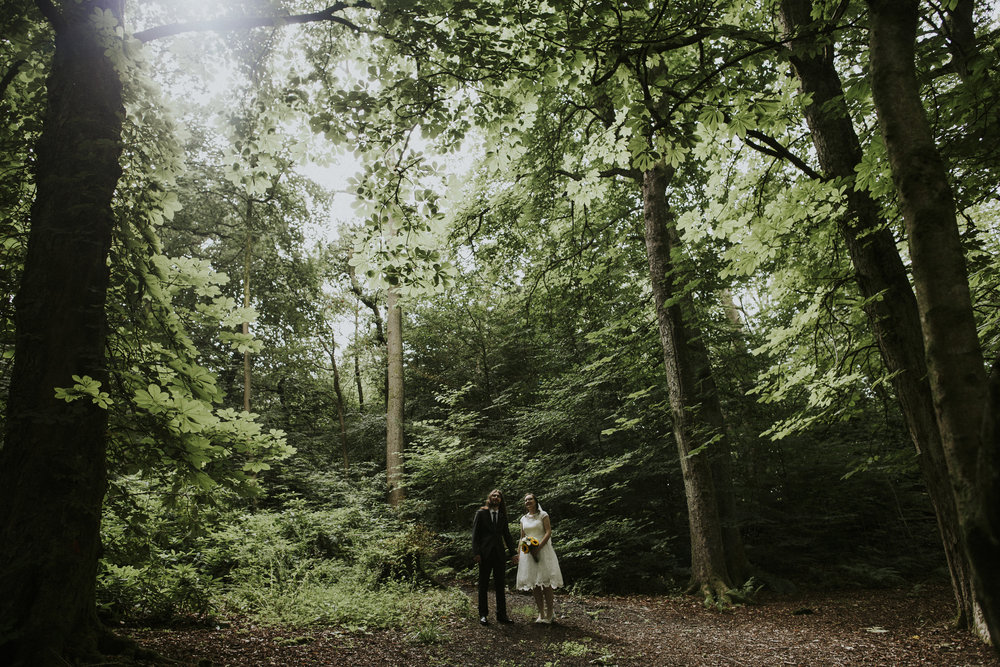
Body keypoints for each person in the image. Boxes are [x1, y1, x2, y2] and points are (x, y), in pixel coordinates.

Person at [472, 488, 518, 625]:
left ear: (501, 500)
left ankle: (502, 615)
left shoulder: (502, 515)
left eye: (498, 496)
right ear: (489, 498)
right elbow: (475, 535)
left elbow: (507, 535)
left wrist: (513, 552)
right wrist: (476, 553)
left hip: (499, 554)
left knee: (500, 585)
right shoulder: (481, 513)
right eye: (494, 495)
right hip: (484, 554)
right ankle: (483, 614)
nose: (496, 497)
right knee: (483, 585)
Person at [516, 492, 563, 624]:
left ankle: (550, 613)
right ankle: (541, 613)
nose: (528, 502)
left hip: (543, 550)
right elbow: (522, 536)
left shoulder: (543, 515)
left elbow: (548, 532)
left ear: (535, 501)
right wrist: (519, 553)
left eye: (530, 499)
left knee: (545, 582)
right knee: (534, 584)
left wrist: (539, 547)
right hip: (528, 553)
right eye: (525, 500)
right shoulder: (523, 519)